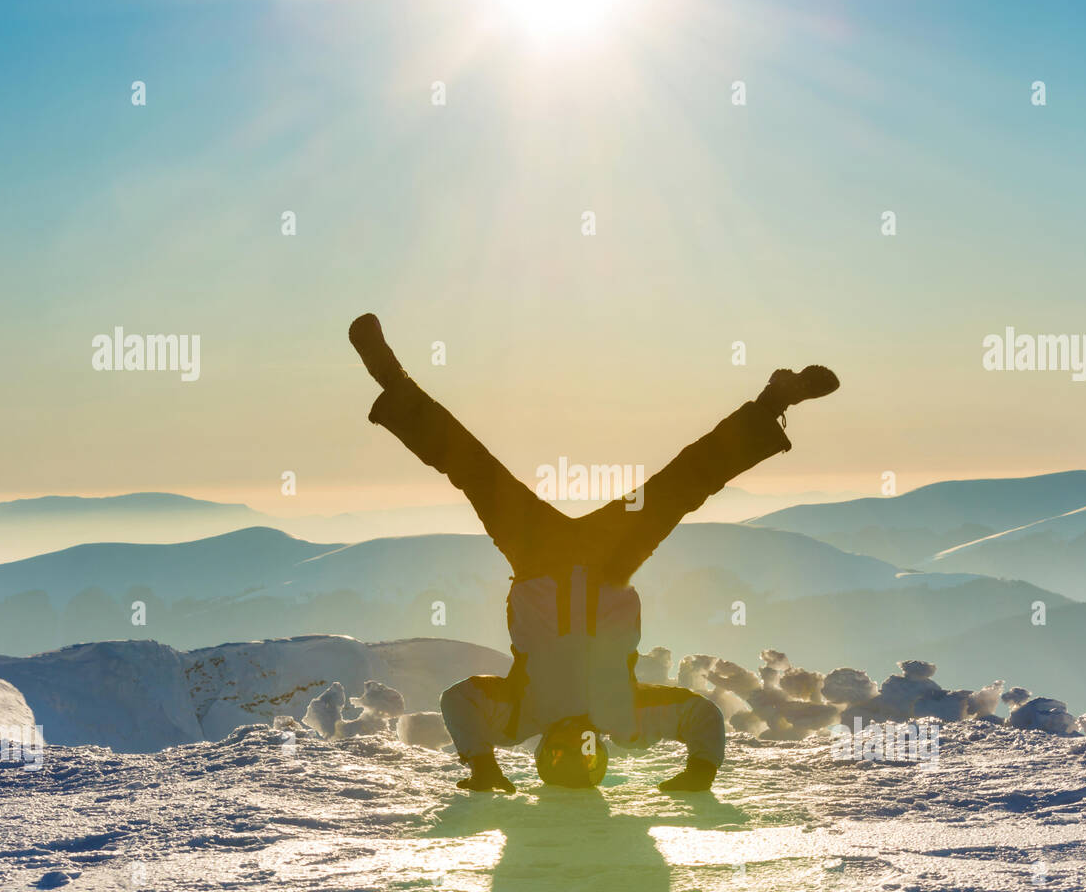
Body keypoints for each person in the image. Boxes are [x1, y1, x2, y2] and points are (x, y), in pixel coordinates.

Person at [349, 314, 839, 794]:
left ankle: (391, 379)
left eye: (561, 757)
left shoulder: (520, 717)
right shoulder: (625, 719)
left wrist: (482, 764)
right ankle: (773, 400)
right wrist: (700, 773)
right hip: (610, 563)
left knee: (476, 469)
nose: (573, 749)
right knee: (680, 485)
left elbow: (456, 701)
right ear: (598, 755)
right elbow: (702, 717)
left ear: (544, 755)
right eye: (584, 758)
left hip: (537, 556)